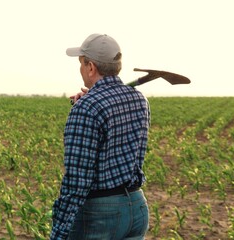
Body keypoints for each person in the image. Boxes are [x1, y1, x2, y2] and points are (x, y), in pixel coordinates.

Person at [50, 33, 151, 239]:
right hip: (136, 206)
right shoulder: (139, 100)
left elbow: (77, 181)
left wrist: (59, 232)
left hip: (100, 214)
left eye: (81, 63)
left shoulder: (87, 108)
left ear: (90, 67)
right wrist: (91, 99)